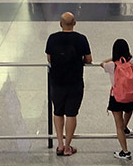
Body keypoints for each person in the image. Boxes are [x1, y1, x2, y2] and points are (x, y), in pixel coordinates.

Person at [45, 12, 92, 157]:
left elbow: (49, 58)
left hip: (57, 82)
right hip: (75, 82)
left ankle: (59, 144)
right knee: (71, 113)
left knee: (57, 111)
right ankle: (67, 146)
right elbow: (89, 59)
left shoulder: (52, 38)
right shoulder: (81, 39)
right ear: (74, 23)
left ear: (60, 24)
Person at [100, 39, 133, 160]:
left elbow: (102, 63)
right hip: (131, 96)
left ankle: (125, 151)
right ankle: (125, 127)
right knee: (129, 110)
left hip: (116, 97)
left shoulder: (111, 65)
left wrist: (113, 58)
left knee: (118, 125)